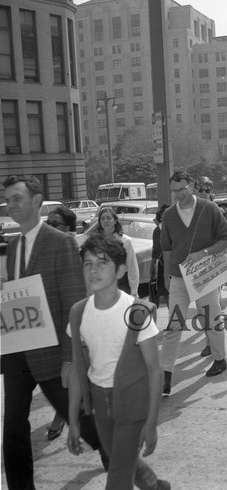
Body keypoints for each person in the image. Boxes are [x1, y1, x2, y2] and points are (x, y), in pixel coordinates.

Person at [2, 175, 104, 490]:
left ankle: (122, 457)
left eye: (17, 198)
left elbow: (75, 302)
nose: (11, 205)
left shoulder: (60, 243)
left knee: (80, 418)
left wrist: (69, 357)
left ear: (36, 201)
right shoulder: (14, 245)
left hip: (52, 352)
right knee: (13, 426)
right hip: (18, 351)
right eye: (8, 200)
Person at [67, 233, 170, 490]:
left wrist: (152, 423)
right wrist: (74, 422)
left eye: (102, 263)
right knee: (121, 460)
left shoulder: (135, 312)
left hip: (133, 405)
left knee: (117, 479)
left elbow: (155, 371)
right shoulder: (79, 312)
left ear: (121, 269)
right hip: (100, 405)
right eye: (88, 263)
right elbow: (78, 371)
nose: (93, 270)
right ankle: (156, 487)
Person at [161, 171, 227, 394]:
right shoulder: (169, 215)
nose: (178, 194)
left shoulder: (209, 209)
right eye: (174, 191)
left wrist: (204, 253)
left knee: (211, 319)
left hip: (204, 276)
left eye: (182, 189)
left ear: (192, 186)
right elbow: (167, 250)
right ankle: (165, 374)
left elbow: (225, 240)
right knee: (174, 325)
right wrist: (167, 278)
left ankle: (219, 359)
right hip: (179, 279)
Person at [46, 206, 78, 441]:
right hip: (49, 322)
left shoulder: (75, 248)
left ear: (68, 229)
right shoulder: (42, 249)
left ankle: (63, 417)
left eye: (55, 224)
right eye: (47, 222)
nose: (49, 227)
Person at [97, 206, 139, 296]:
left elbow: (132, 266)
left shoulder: (125, 241)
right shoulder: (97, 241)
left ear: (115, 221)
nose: (105, 221)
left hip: (122, 284)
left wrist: (134, 290)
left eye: (108, 218)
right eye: (102, 219)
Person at [150, 204, 170, 307]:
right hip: (162, 266)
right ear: (160, 217)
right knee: (166, 294)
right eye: (163, 215)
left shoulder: (176, 230)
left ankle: (177, 319)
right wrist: (152, 268)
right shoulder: (157, 231)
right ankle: (173, 319)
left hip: (175, 266)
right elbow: (155, 250)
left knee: (177, 295)